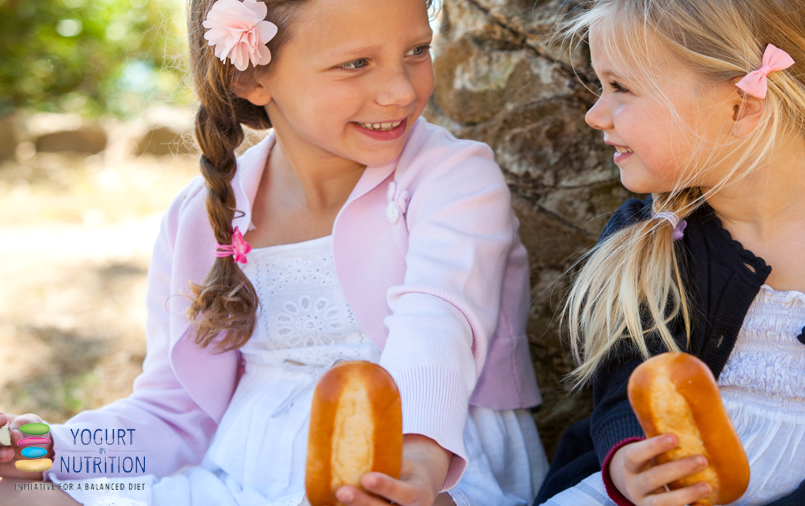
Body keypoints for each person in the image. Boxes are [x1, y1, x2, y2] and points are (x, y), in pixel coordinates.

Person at [0, 0, 547, 504]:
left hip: (427, 464)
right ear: (250, 76)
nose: (401, 90)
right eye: (356, 63)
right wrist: (44, 448)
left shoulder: (453, 177)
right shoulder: (203, 215)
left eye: (416, 51)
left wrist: (415, 458)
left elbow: (438, 322)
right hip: (239, 474)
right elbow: (175, 411)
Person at [533, 0, 805, 505]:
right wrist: (631, 462)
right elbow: (624, 390)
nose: (595, 114)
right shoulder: (647, 235)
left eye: (620, 88)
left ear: (743, 107)